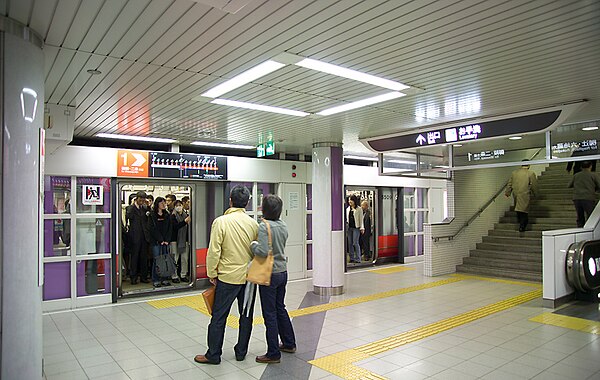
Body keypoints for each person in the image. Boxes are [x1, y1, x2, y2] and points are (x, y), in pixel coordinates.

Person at [194, 185, 259, 365]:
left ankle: (213, 354)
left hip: (227, 278)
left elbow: (214, 251)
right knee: (246, 316)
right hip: (248, 280)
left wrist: (212, 273)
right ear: (247, 202)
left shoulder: (221, 222)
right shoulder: (253, 224)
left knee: (219, 317)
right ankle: (241, 352)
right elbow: (256, 252)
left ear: (230, 200)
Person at [251, 195, 296, 364]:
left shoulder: (264, 226)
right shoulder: (283, 225)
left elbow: (262, 251)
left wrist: (252, 245)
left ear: (264, 209)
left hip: (269, 273)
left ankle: (273, 353)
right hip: (282, 271)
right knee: (280, 308)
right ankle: (289, 343)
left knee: (269, 313)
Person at [505, 161, 538, 232]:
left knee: (519, 209)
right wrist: (536, 194)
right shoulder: (530, 173)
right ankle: (522, 226)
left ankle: (520, 222)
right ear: (528, 165)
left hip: (516, 194)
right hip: (525, 194)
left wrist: (508, 192)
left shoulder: (514, 173)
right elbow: (534, 185)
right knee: (524, 210)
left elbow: (509, 184)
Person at [125, 191, 150, 285]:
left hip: (144, 236)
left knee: (144, 257)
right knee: (134, 257)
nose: (142, 201)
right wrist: (132, 205)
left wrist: (148, 206)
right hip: (134, 236)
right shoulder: (130, 208)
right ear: (137, 199)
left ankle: (143, 277)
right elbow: (129, 216)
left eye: (143, 200)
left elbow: (149, 217)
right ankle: (133, 277)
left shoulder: (144, 208)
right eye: (140, 200)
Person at [147, 197, 173, 288]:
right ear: (157, 204)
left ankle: (165, 278)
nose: (164, 205)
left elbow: (170, 228)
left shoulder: (167, 215)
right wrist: (160, 239)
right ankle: (156, 279)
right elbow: (151, 229)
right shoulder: (152, 215)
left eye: (164, 203)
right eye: (162, 203)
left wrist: (167, 240)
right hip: (156, 241)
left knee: (165, 259)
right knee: (157, 260)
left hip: (165, 241)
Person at [568, 161, 600, 227]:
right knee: (590, 215)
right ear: (590, 166)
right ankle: (589, 230)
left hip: (577, 198)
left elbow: (569, 185)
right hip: (588, 197)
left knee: (580, 216)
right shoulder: (593, 175)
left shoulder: (576, 175)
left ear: (581, 167)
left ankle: (580, 229)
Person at [170, 200, 191, 283]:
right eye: (177, 205)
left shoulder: (186, 215)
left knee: (184, 258)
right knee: (175, 258)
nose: (179, 207)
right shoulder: (172, 216)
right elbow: (175, 227)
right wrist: (184, 222)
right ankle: (174, 275)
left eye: (180, 205)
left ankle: (183, 274)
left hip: (185, 239)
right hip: (175, 240)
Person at [346, 195, 364, 263]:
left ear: (354, 201)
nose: (349, 201)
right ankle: (352, 257)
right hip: (349, 228)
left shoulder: (359, 209)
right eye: (349, 200)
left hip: (356, 228)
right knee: (350, 243)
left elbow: (361, 219)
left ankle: (358, 258)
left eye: (351, 200)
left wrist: (362, 228)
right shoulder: (348, 209)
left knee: (355, 242)